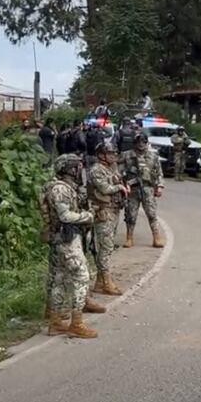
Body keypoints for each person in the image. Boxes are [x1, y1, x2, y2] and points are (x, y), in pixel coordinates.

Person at [40, 154, 102, 340]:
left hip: (61, 239)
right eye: (76, 167)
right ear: (69, 169)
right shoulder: (60, 189)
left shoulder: (58, 186)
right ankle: (76, 323)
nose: (79, 171)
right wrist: (88, 216)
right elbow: (65, 216)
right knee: (82, 277)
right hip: (67, 239)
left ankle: (56, 321)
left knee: (59, 279)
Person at [88, 138, 129, 296]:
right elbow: (104, 189)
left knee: (109, 246)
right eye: (109, 153)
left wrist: (125, 186)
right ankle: (106, 281)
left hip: (114, 210)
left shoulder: (112, 168)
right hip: (103, 211)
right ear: (101, 155)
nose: (113, 155)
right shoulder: (96, 169)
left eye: (113, 152)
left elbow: (118, 181)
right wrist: (119, 187)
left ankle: (100, 281)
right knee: (105, 247)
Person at [121, 133, 165, 248]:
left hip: (148, 188)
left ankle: (156, 238)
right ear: (134, 143)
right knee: (131, 215)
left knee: (152, 214)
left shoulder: (153, 156)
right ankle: (129, 238)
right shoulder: (126, 155)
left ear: (147, 143)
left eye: (143, 142)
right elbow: (118, 171)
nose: (141, 145)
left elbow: (159, 172)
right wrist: (124, 184)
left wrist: (159, 186)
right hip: (132, 190)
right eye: (138, 142)